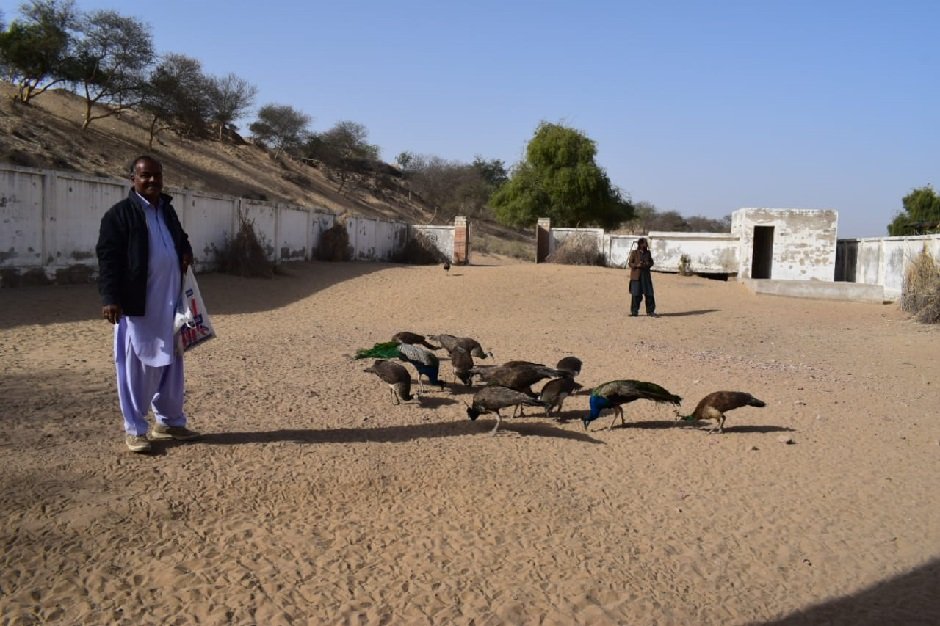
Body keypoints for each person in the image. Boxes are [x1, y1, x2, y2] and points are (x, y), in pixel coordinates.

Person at [96, 155, 200, 453]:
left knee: (171, 366)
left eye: (157, 175)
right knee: (137, 366)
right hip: (138, 306)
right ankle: (136, 429)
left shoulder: (166, 210)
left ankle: (169, 422)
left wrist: (185, 252)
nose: (152, 180)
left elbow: (181, 238)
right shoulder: (119, 215)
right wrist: (110, 298)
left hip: (171, 304)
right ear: (134, 179)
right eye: (146, 176)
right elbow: (109, 259)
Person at [628, 237, 657, 317]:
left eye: (646, 244)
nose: (645, 245)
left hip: (646, 276)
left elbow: (651, 262)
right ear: (640, 244)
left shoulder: (648, 253)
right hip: (636, 276)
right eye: (644, 243)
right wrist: (637, 265)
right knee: (636, 294)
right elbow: (630, 263)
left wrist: (647, 264)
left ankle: (650, 311)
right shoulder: (634, 253)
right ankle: (634, 312)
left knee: (649, 293)